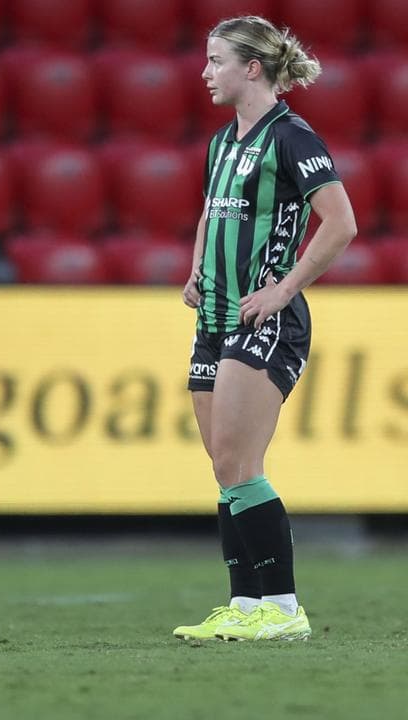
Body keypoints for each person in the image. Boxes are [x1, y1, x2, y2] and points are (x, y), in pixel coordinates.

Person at [172, 16, 356, 643]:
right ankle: (246, 605)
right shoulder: (224, 142)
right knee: (225, 469)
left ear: (252, 68)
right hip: (215, 316)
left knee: (238, 461)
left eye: (216, 60)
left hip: (265, 316)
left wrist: (283, 288)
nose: (205, 73)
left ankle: (282, 606)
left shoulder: (292, 136)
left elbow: (339, 222)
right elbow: (209, 212)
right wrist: (197, 267)